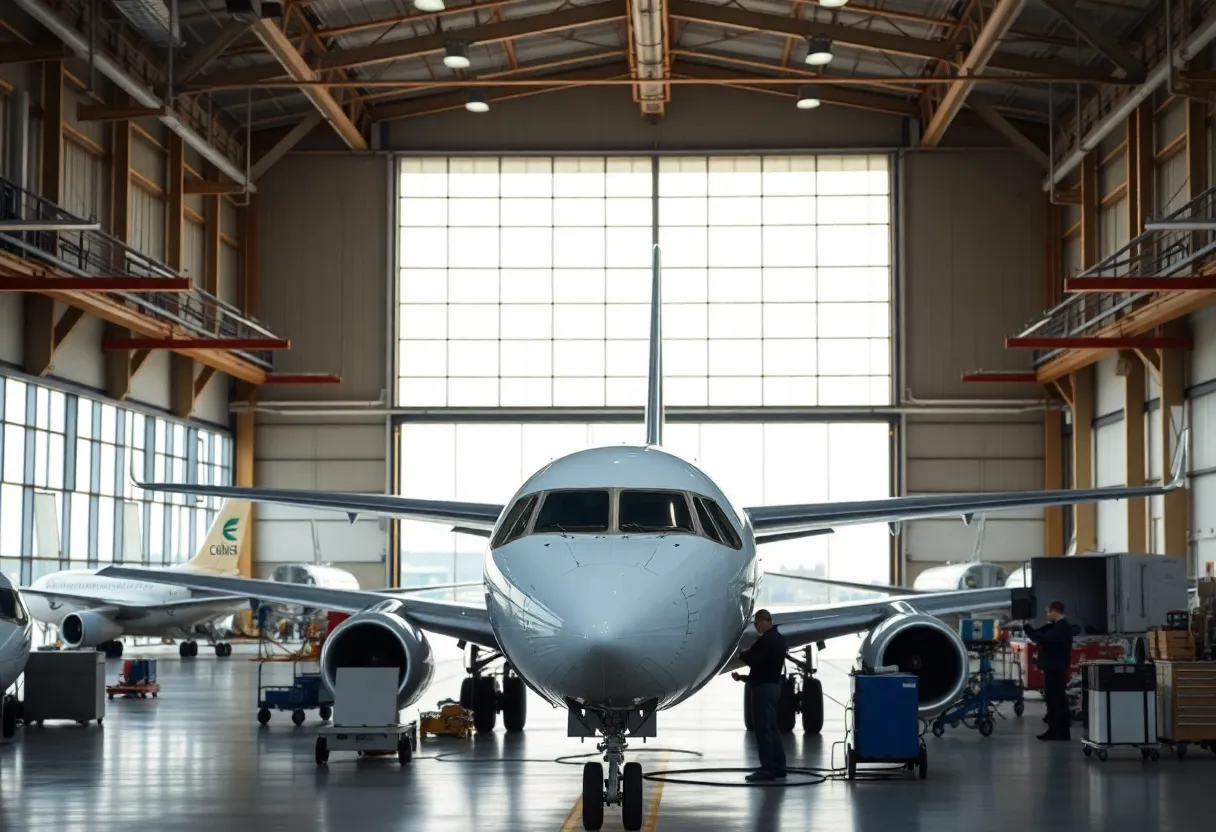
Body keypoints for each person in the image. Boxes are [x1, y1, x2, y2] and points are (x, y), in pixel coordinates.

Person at [731, 609, 788, 780]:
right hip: (773, 686)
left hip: (763, 690)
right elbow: (765, 668)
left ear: (764, 621)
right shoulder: (779, 639)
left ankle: (767, 768)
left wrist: (739, 652)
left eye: (756, 623)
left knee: (763, 729)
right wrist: (743, 678)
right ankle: (779, 766)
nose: (756, 626)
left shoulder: (767, 640)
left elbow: (754, 659)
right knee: (772, 728)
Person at [1026, 600, 1073, 741]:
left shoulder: (1062, 628)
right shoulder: (1055, 626)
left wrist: (1027, 628)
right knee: (1056, 699)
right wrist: (1028, 628)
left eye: (1047, 611)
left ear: (1054, 611)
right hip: (1053, 668)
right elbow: (1038, 634)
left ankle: (1057, 731)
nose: (1046, 614)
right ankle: (1060, 731)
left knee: (1055, 700)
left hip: (1055, 669)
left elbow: (1041, 638)